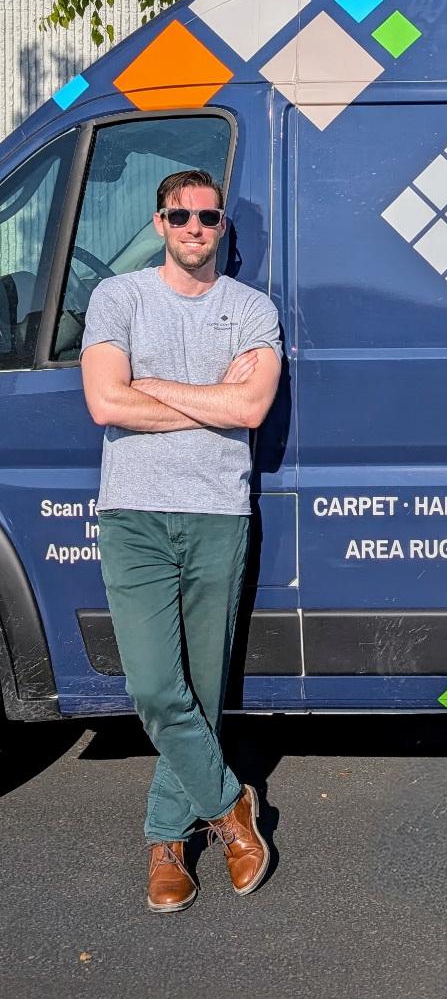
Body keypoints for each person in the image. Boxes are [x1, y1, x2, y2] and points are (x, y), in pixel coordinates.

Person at [80, 169, 283, 913]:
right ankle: (230, 808)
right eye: (180, 214)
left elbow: (253, 405)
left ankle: (166, 838)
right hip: (134, 514)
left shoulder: (251, 308)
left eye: (207, 215)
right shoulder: (120, 296)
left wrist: (154, 385)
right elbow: (105, 398)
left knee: (201, 688)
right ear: (160, 222)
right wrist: (211, 403)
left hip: (216, 514)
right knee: (154, 687)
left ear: (222, 224)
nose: (195, 226)